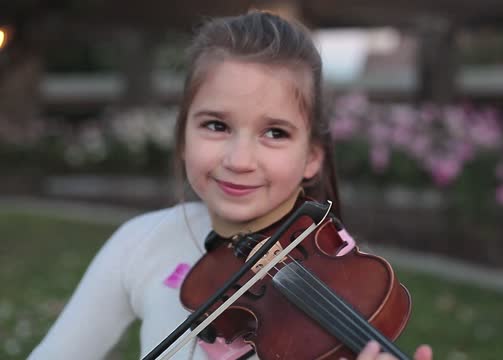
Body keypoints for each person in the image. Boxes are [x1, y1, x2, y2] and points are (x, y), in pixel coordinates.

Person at [28, 10, 432, 360]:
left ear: (312, 156)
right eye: (216, 126)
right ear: (183, 136)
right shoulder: (139, 244)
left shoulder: (347, 285)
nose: (238, 161)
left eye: (274, 133)